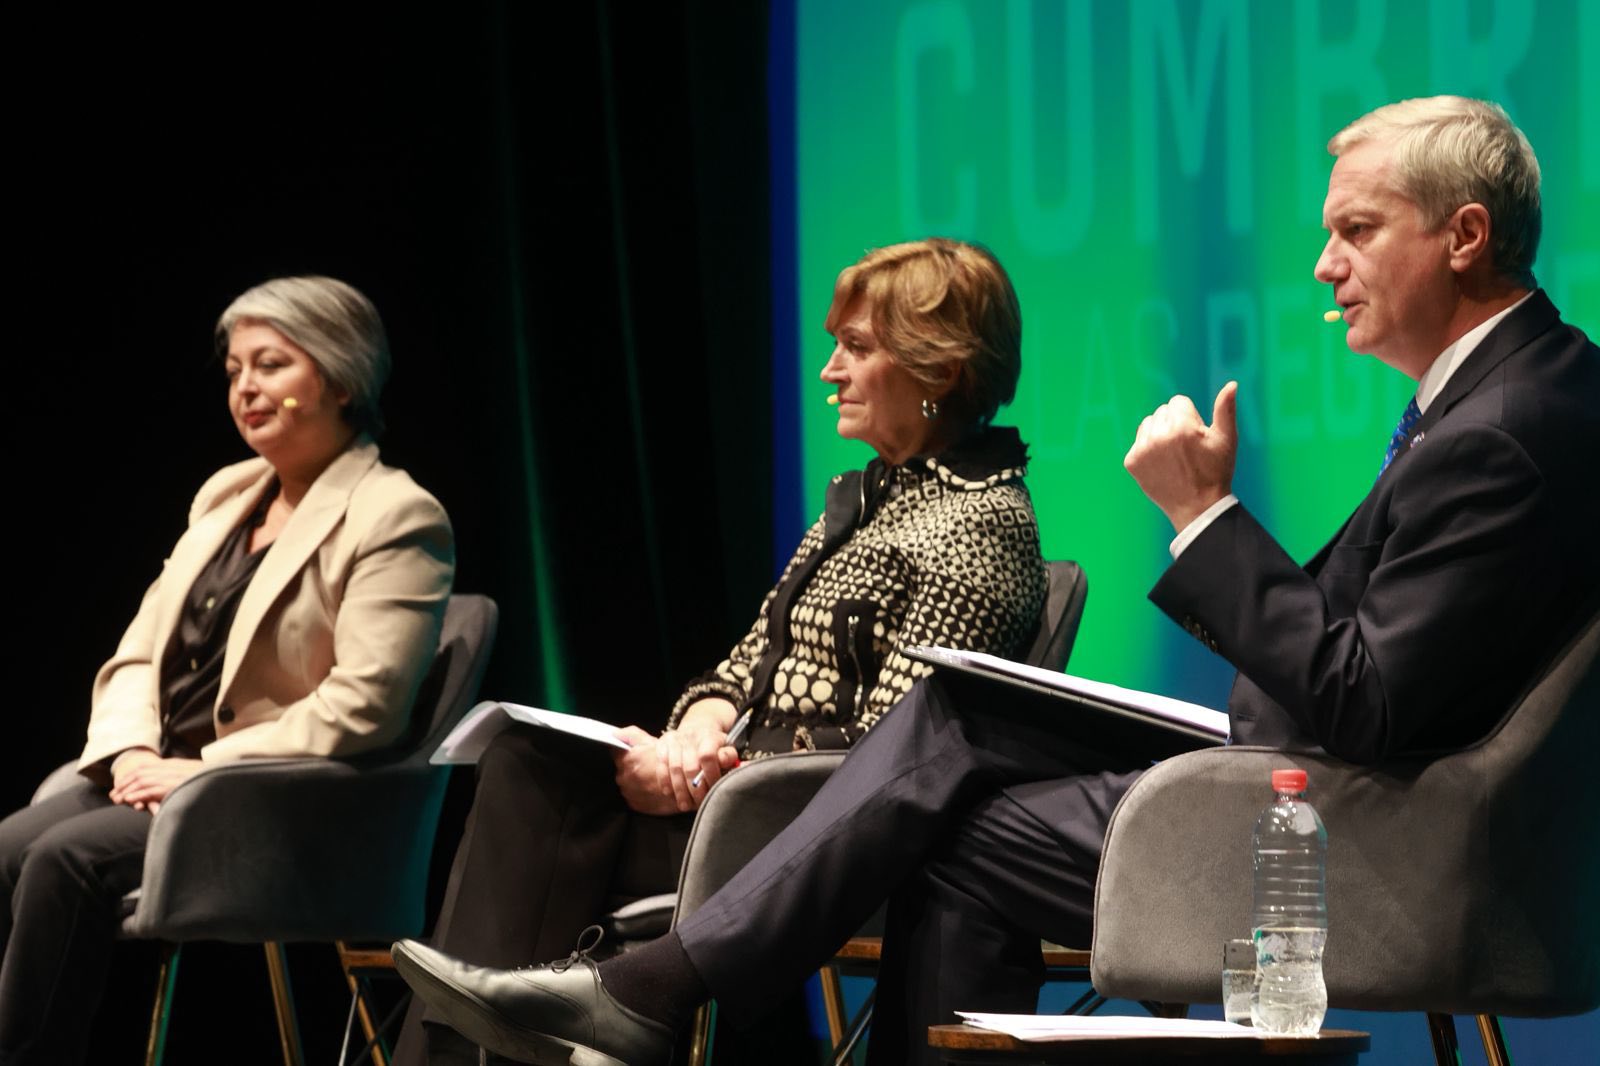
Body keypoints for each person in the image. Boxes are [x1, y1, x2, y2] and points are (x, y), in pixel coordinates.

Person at [392, 95, 1600, 1066]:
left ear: (1464, 236)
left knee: (946, 809)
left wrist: (1204, 517)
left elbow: (1364, 700)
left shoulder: (1508, 424)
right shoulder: (1511, 398)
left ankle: (651, 992)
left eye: (1356, 230)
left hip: (1353, 837)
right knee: (961, 729)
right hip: (1309, 789)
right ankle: (649, 992)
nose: (1324, 265)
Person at [392, 237, 1049, 1065]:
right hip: (737, 784)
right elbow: (744, 664)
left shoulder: (982, 525)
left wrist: (713, 771)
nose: (828, 372)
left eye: (855, 347)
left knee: (541, 784)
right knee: (529, 756)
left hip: (807, 824)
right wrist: (694, 735)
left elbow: (903, 752)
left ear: (941, 371)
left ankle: (471, 1043)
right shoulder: (869, 500)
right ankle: (492, 1032)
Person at [0, 276, 455, 1065]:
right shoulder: (227, 496)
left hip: (264, 797)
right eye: (235, 368)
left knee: (62, 860)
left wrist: (201, 770)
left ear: (341, 377)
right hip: (155, 772)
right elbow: (140, 650)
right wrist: (131, 751)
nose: (245, 387)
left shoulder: (396, 513)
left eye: (271, 365)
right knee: (8, 846)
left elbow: (367, 702)